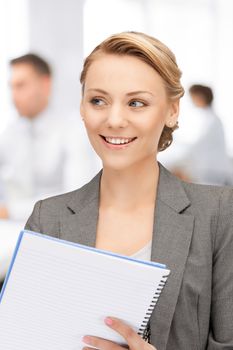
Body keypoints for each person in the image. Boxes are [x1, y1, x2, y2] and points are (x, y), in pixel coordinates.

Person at [25, 32, 233, 350]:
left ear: (172, 111)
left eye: (136, 103)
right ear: (82, 107)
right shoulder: (48, 218)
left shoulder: (218, 214)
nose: (114, 119)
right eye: (98, 100)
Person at [0, 53, 100, 221]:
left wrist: (10, 211)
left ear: (45, 84)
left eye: (21, 86)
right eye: (11, 87)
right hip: (9, 231)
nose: (13, 96)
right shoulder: (10, 133)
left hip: (55, 230)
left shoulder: (73, 131)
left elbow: (76, 199)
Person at [159, 84, 233, 185]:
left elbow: (196, 146)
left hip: (214, 173)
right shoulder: (206, 118)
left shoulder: (211, 120)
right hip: (209, 171)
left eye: (193, 97)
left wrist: (168, 158)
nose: (192, 101)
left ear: (201, 97)